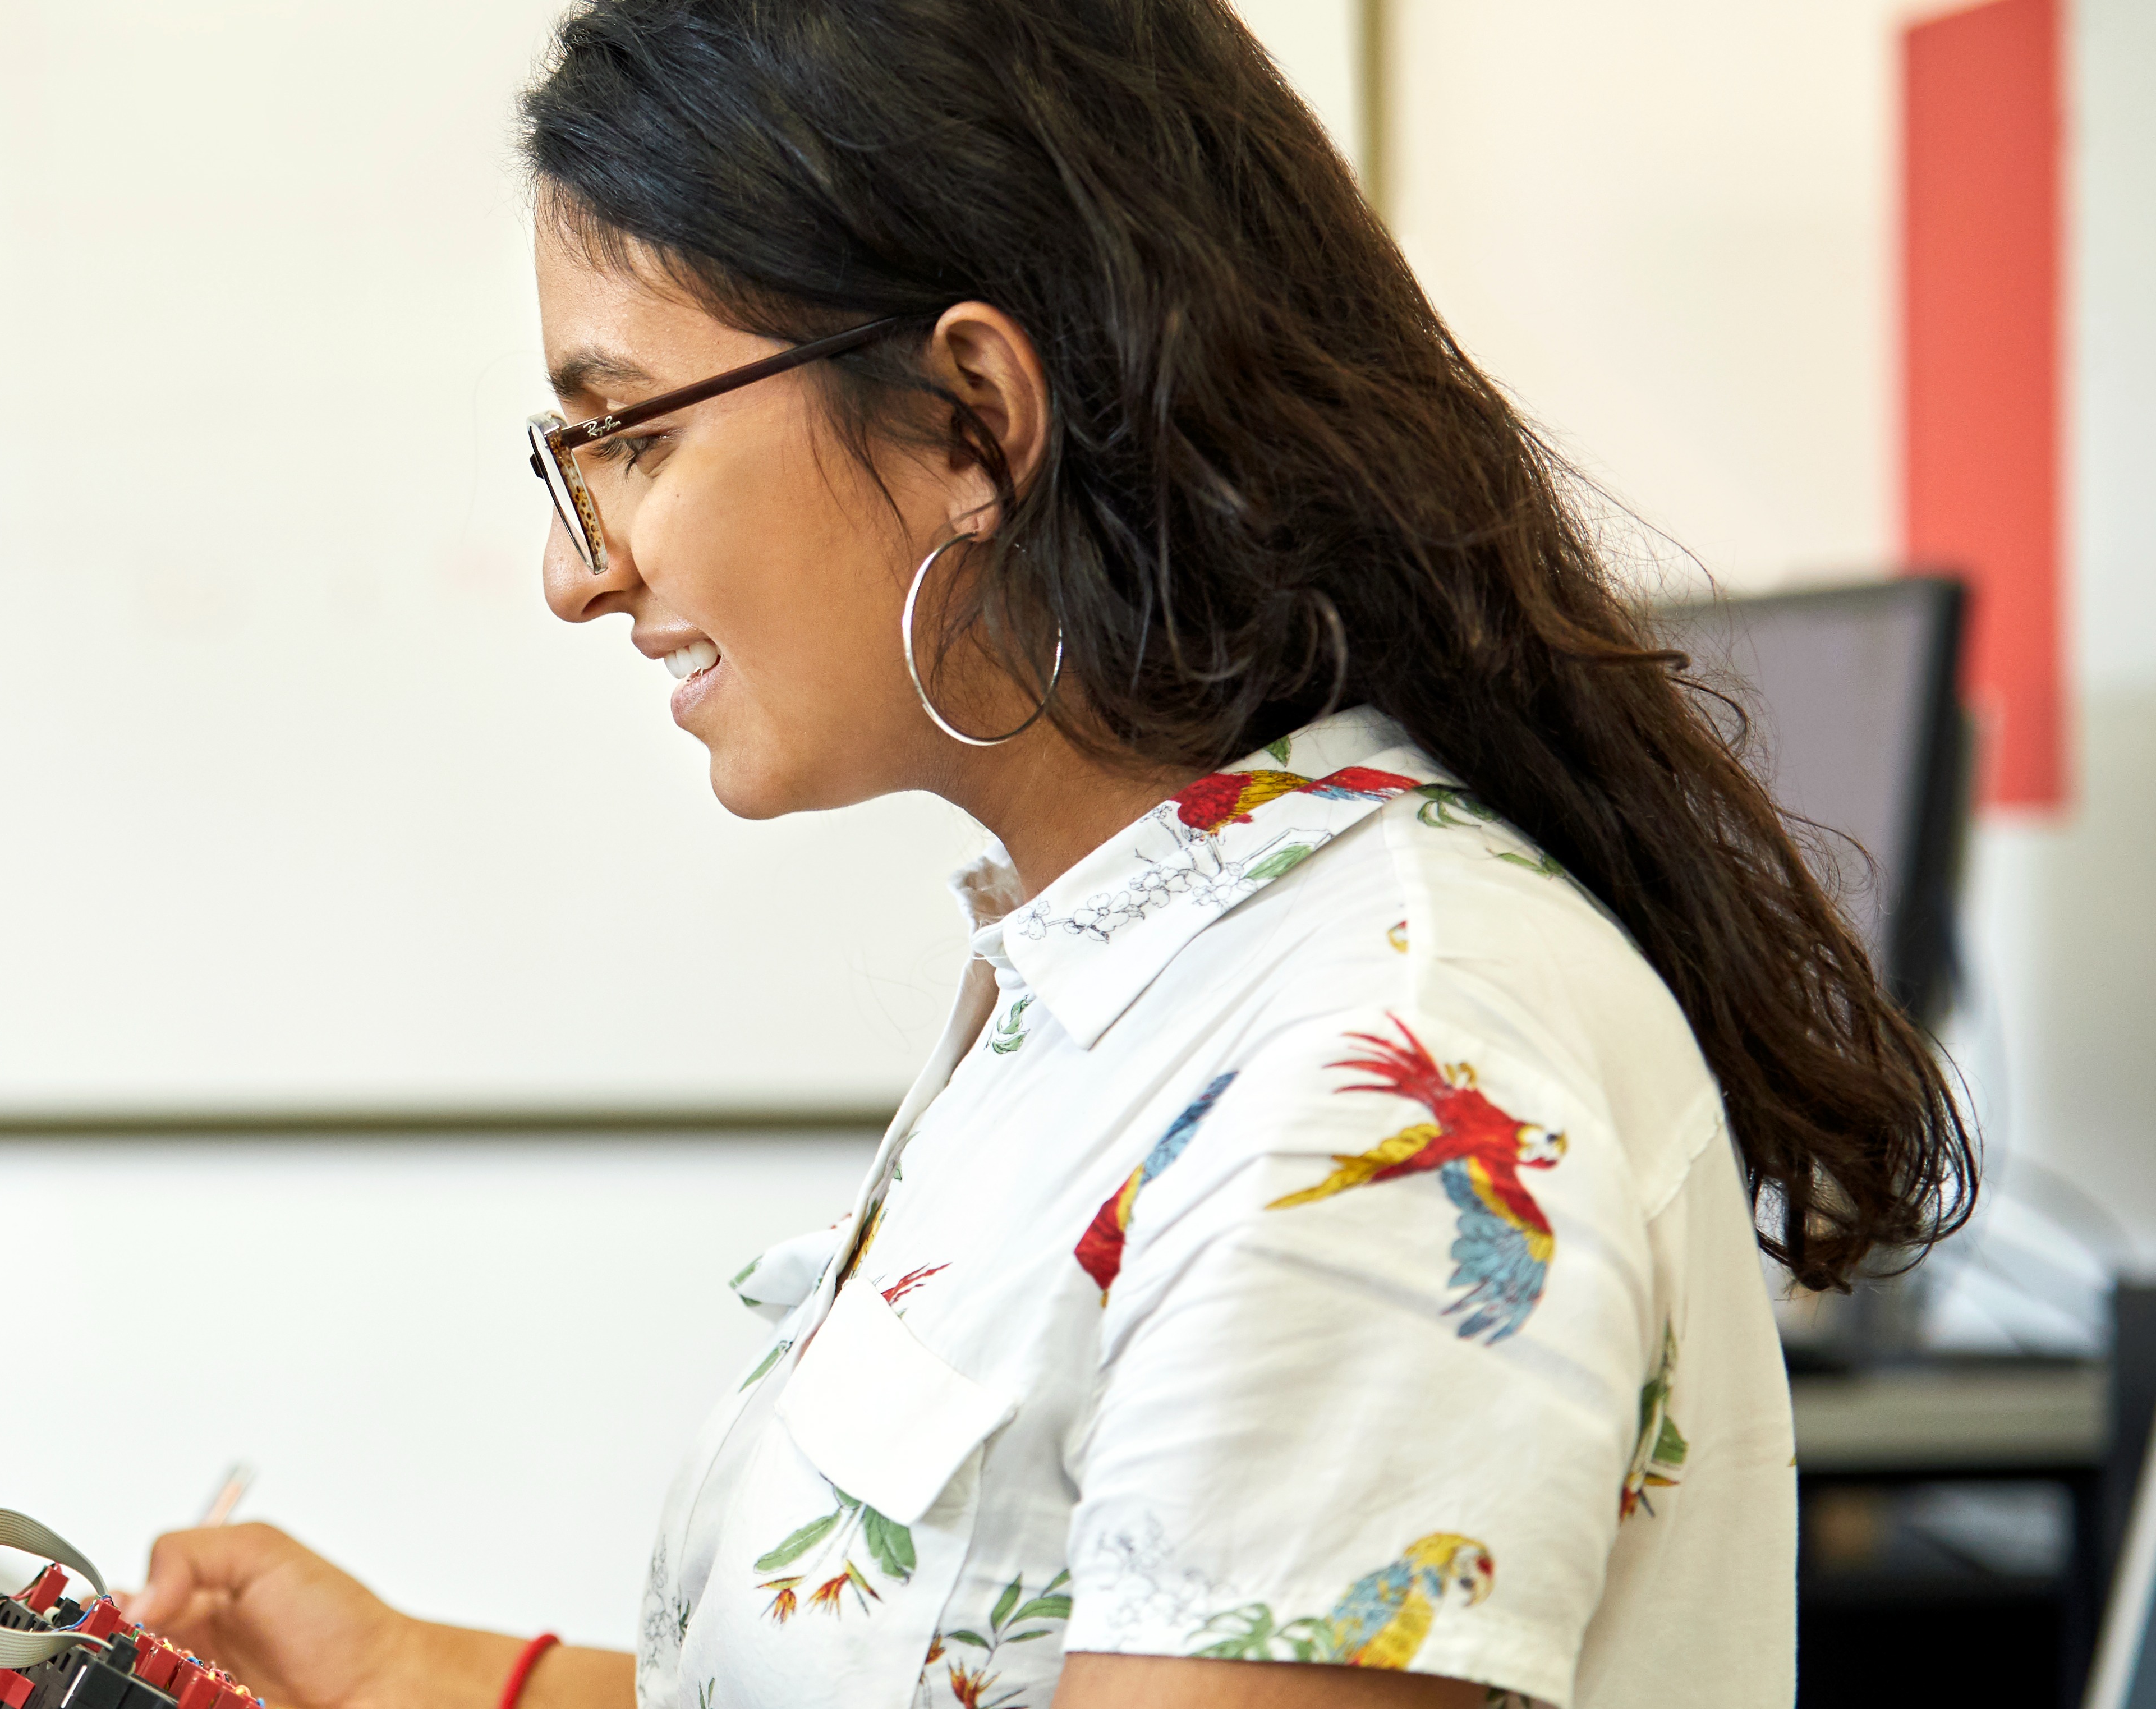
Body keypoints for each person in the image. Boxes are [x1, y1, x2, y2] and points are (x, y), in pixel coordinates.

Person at [123, 2, 1973, 1706]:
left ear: (972, 426)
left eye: (626, 437)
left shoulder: (1375, 1074)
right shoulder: (1143, 971)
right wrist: (426, 1679)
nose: (576, 568)